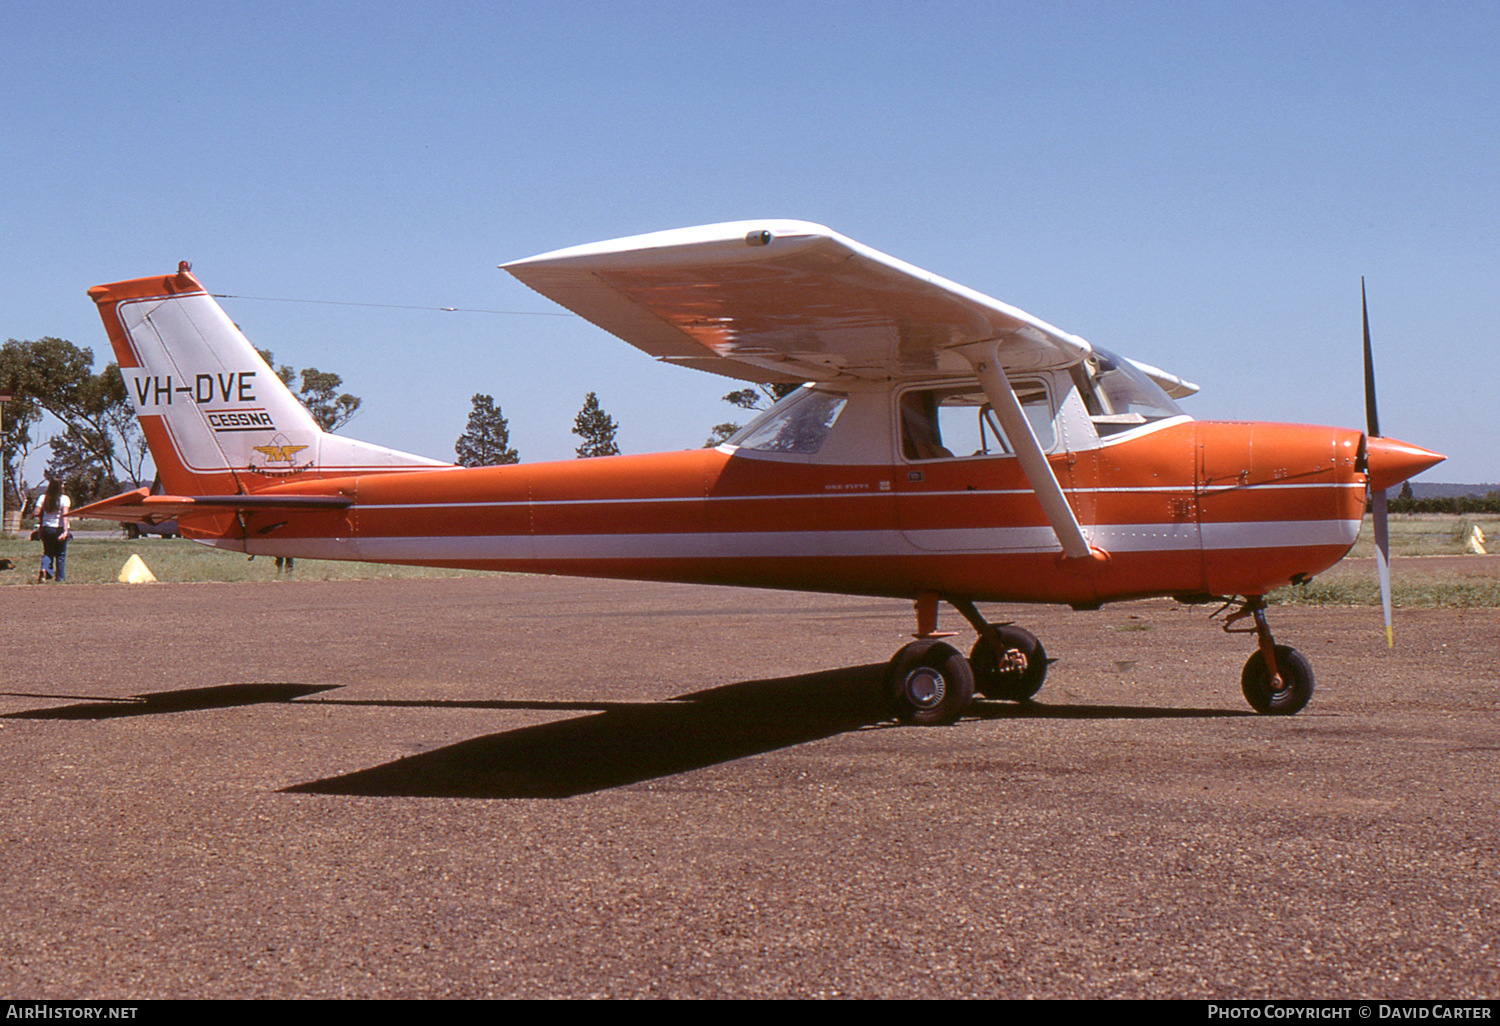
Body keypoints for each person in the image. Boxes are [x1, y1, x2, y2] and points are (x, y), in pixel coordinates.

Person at [33, 477, 71, 583]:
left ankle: (45, 573)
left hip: (46, 529)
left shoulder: (42, 498)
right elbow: (65, 515)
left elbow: (36, 512)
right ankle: (60, 578)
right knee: (60, 554)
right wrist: (65, 531)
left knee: (47, 553)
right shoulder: (64, 499)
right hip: (59, 529)